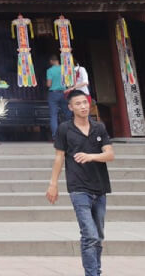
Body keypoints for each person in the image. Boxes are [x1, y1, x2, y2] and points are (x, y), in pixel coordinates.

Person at [47, 90, 115, 276]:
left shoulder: (99, 127)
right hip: (78, 189)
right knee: (90, 235)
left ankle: (95, 271)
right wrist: (53, 183)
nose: (83, 106)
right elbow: (59, 158)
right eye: (78, 104)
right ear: (70, 107)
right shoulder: (64, 129)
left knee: (98, 236)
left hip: (100, 187)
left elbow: (110, 154)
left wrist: (91, 156)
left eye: (85, 103)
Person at [46, 55, 71, 140]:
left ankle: (56, 136)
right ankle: (69, 134)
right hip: (64, 93)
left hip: (54, 94)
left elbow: (49, 84)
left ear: (52, 61)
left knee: (53, 115)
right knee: (67, 114)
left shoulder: (50, 70)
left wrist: (48, 84)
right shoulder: (64, 69)